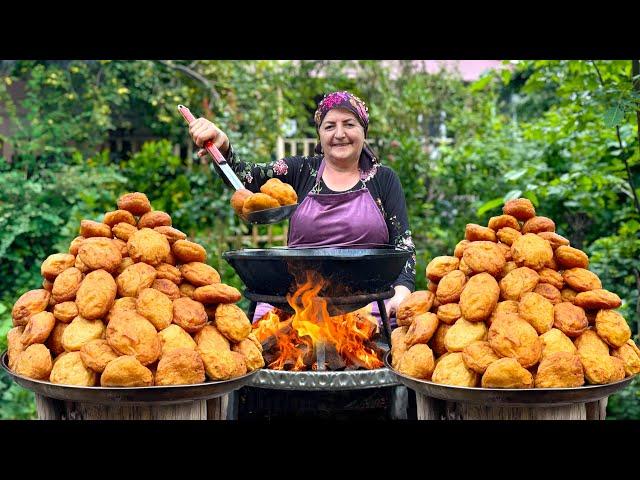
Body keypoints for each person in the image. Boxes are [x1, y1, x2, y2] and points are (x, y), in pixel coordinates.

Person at [188, 90, 416, 326]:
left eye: (349, 124)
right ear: (320, 133)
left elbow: (404, 246)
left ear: (363, 131)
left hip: (366, 306)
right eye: (329, 126)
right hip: (298, 306)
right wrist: (223, 147)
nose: (339, 134)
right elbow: (247, 177)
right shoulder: (300, 171)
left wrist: (400, 295)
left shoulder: (383, 179)